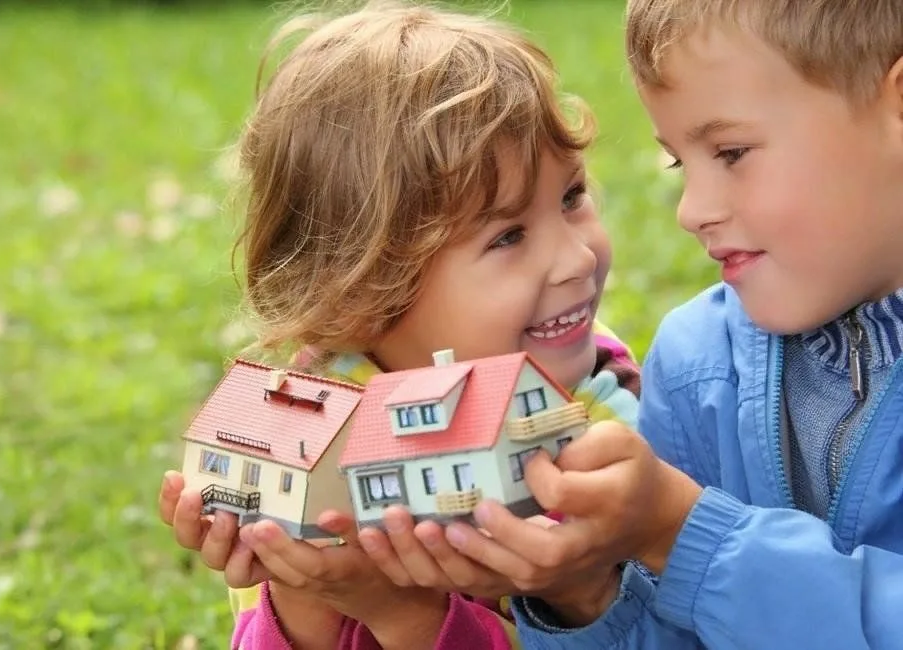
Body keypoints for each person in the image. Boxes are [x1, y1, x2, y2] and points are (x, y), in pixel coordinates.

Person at [382, 1, 903, 648]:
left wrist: (682, 536)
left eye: (731, 152)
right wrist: (580, 594)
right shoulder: (695, 367)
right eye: (682, 163)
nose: (693, 210)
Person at [157, 1, 643, 649]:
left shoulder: (596, 411)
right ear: (362, 289)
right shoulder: (307, 441)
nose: (576, 257)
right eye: (507, 237)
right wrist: (302, 592)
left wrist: (399, 612)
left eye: (571, 197)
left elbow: (647, 631)